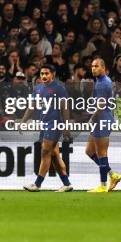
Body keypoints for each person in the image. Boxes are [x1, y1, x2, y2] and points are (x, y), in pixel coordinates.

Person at [23, 64, 74, 192]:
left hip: (55, 123)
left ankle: (37, 184)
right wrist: (23, 121)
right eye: (42, 74)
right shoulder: (38, 88)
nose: (44, 76)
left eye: (47, 73)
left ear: (53, 74)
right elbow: (32, 106)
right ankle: (67, 184)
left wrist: (66, 126)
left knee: (45, 152)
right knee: (55, 154)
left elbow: (65, 108)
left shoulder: (59, 88)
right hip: (45, 124)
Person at [86, 57, 121, 192]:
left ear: (103, 67)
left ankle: (102, 185)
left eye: (96, 66)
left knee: (101, 153)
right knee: (89, 151)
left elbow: (100, 106)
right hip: (101, 118)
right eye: (92, 66)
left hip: (102, 119)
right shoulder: (101, 81)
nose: (93, 69)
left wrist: (92, 118)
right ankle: (113, 175)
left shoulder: (102, 83)